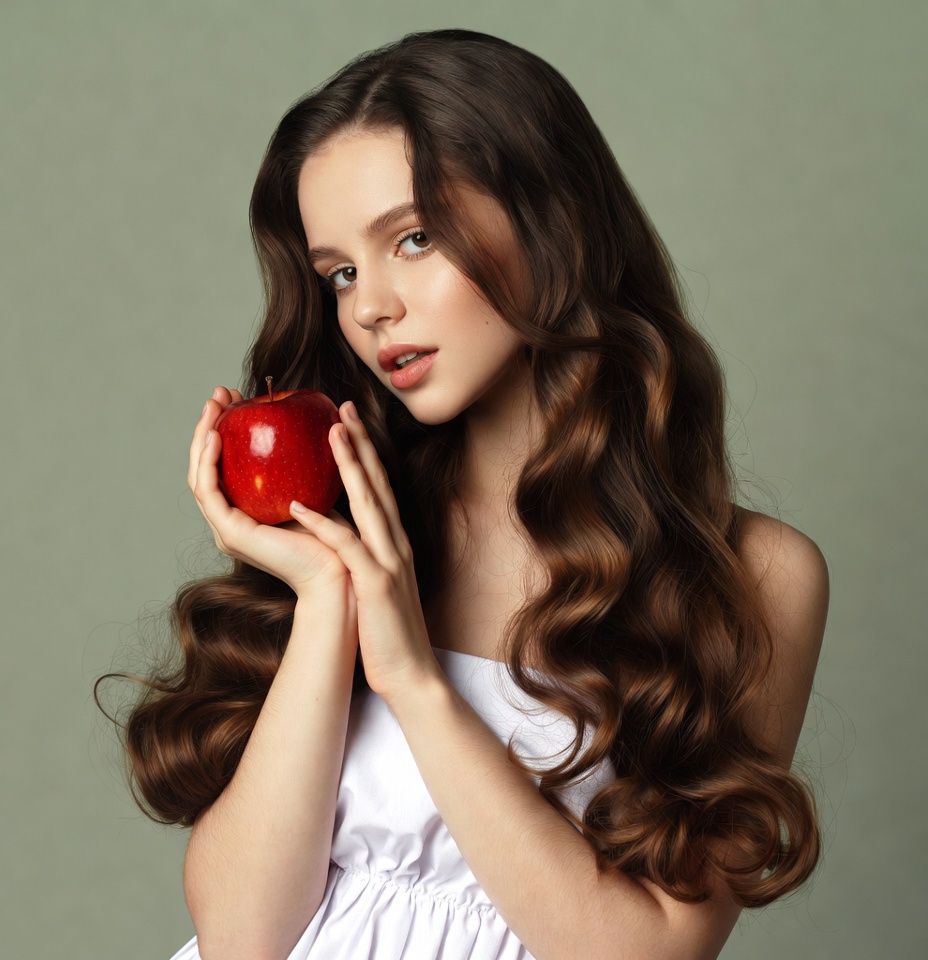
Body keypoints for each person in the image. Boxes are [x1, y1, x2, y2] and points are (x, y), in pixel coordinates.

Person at [114, 28, 829, 960]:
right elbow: (243, 937)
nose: (370, 306)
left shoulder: (752, 576)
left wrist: (412, 678)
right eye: (339, 272)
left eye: (413, 238)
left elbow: (649, 952)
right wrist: (333, 596)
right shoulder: (357, 530)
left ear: (552, 222)